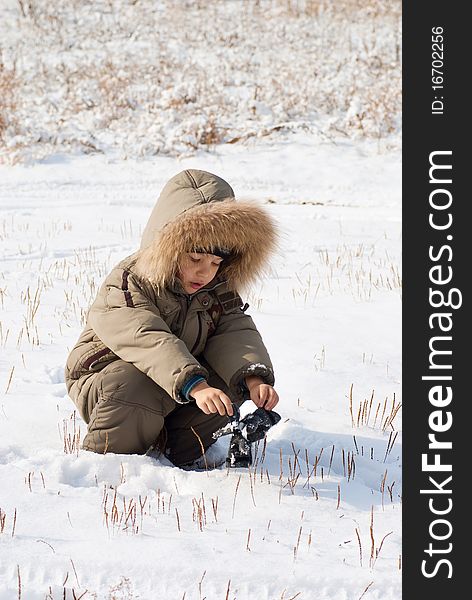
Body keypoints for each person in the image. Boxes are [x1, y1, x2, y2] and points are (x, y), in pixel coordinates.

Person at [65, 169, 279, 468]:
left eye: (216, 262)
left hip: (180, 384)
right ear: (169, 248)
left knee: (229, 385)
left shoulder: (216, 289)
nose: (205, 272)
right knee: (137, 383)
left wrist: (253, 378)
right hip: (109, 381)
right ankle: (111, 464)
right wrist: (194, 384)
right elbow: (148, 339)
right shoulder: (129, 281)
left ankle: (178, 448)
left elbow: (234, 330)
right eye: (195, 260)